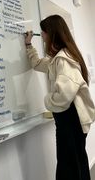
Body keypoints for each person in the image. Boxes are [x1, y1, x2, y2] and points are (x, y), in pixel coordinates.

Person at [24, 14, 95, 180]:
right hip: (71, 119)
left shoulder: (63, 59)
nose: (41, 36)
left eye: (43, 33)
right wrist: (28, 45)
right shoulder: (58, 57)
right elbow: (38, 64)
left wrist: (47, 100)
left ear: (52, 33)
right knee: (74, 163)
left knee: (69, 166)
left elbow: (64, 95)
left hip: (70, 119)